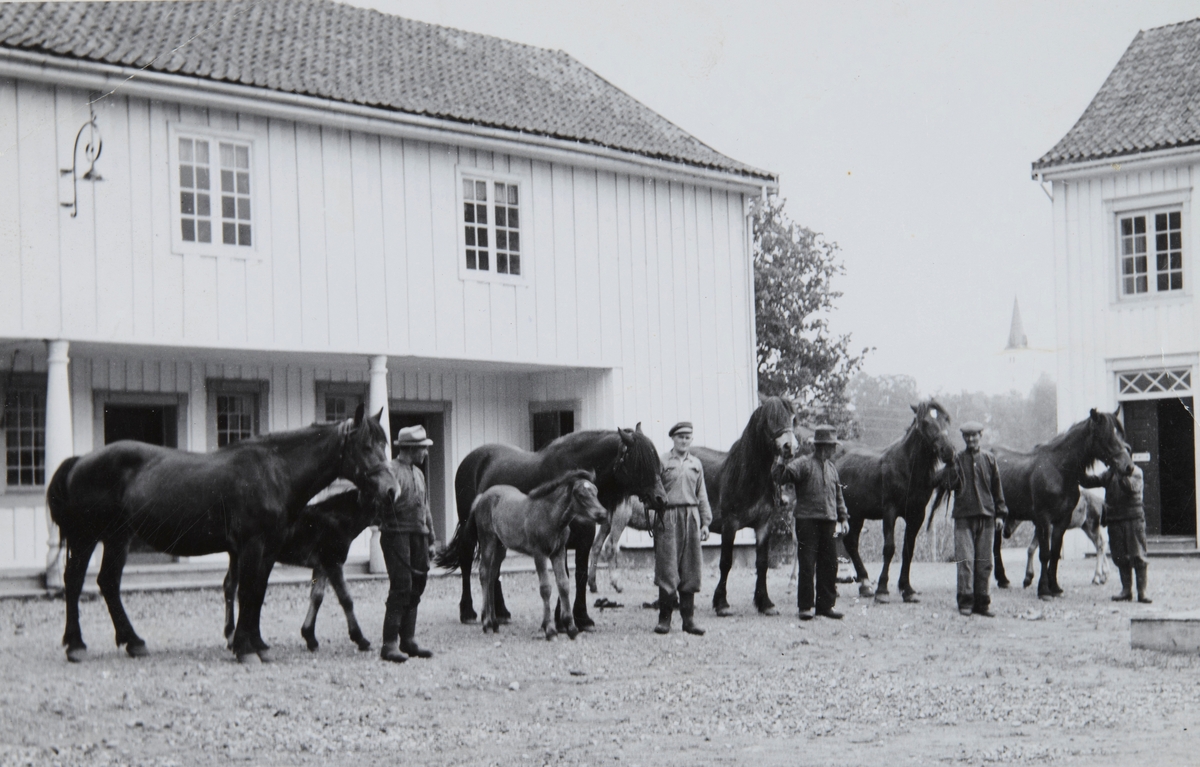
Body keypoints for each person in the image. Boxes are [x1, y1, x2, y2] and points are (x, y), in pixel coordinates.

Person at [772, 425, 849, 621]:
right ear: (822, 446)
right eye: (831, 446)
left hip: (829, 522)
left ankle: (825, 607)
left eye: (834, 446)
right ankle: (805, 607)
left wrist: (844, 517)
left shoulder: (832, 469)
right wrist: (781, 460)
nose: (833, 450)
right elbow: (781, 477)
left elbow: (838, 495)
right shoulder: (803, 464)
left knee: (830, 564)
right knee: (807, 564)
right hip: (807, 521)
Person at [378, 425, 438, 662]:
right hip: (396, 534)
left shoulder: (419, 474)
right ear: (411, 449)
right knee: (401, 584)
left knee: (418, 584)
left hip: (419, 534)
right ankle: (389, 643)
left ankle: (408, 639)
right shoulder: (389, 470)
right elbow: (379, 502)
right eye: (423, 448)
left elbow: (425, 508)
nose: (425, 453)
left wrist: (431, 540)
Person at [652, 421, 712, 636]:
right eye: (680, 437)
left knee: (691, 568)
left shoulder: (696, 463)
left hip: (692, 516)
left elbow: (702, 494)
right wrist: (654, 517)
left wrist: (706, 522)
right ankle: (664, 619)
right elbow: (654, 491)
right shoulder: (661, 461)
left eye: (688, 438)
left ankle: (689, 620)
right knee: (667, 567)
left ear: (691, 440)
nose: (684, 441)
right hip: (668, 516)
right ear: (673, 439)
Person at [948, 421, 1007, 617]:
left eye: (974, 435)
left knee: (984, 561)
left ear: (981, 436)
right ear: (964, 438)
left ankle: (982, 603)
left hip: (987, 517)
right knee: (965, 560)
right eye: (967, 436)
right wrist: (950, 468)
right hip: (963, 517)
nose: (971, 439)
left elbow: (997, 488)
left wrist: (1000, 513)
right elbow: (948, 483)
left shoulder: (989, 459)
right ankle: (965, 601)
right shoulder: (956, 459)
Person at [1081, 451, 1150, 603]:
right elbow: (1089, 481)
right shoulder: (1109, 474)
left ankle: (1142, 591)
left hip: (1133, 518)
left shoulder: (1136, 472)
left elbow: (1130, 488)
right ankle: (1126, 590)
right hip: (1115, 519)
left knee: (1138, 554)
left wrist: (1120, 472)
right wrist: (1079, 469)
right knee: (1119, 555)